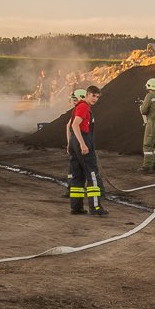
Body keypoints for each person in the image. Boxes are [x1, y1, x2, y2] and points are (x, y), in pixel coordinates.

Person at [66, 85, 107, 215]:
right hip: (81, 140)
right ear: (87, 94)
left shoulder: (80, 107)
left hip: (75, 141)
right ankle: (95, 207)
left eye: (97, 97)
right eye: (93, 95)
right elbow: (74, 124)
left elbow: (70, 126)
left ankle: (76, 207)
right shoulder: (84, 107)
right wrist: (83, 144)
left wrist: (70, 144)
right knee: (92, 174)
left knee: (78, 175)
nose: (95, 99)